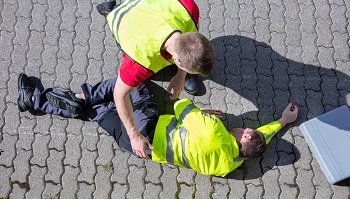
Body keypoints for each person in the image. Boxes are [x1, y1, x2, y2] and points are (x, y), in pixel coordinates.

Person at [17, 73, 298, 177]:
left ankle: (83, 96)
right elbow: (260, 140)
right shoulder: (230, 165)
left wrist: (203, 113)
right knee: (97, 113)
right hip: (140, 149)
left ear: (245, 135)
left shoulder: (214, 131)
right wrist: (281, 123)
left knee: (129, 83)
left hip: (147, 127)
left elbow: (181, 107)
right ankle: (35, 100)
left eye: (245, 130)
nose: (243, 126)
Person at [96, 0, 216, 159]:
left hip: (146, 1)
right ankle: (110, 10)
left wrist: (181, 75)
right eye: (188, 70)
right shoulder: (141, 61)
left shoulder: (189, 8)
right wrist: (134, 135)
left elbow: (186, 45)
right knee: (118, 23)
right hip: (126, 20)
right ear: (177, 60)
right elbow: (119, 95)